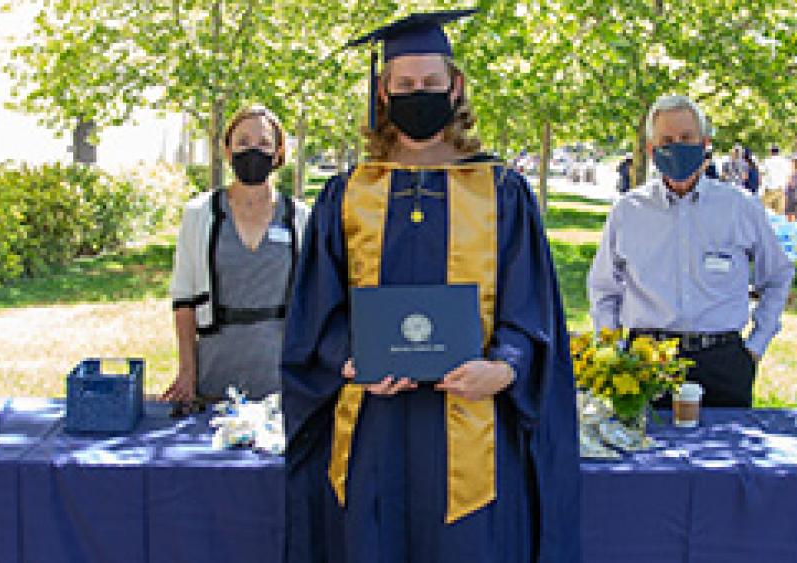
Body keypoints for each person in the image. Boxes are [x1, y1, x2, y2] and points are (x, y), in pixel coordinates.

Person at [280, 10, 580, 563]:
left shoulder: (501, 191)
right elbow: (317, 311)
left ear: (456, 86)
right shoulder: (347, 194)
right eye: (406, 85)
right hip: (373, 425)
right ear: (383, 92)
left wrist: (504, 367)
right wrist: (350, 360)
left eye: (431, 83)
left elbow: (530, 306)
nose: (419, 95)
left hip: (474, 424)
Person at [587, 95, 795, 408]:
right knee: (645, 441)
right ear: (651, 150)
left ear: (705, 144)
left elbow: (777, 276)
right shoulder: (628, 211)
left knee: (728, 441)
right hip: (646, 364)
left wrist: (756, 346)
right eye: (667, 141)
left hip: (723, 363)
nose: (677, 148)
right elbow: (604, 287)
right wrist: (613, 351)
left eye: (686, 138)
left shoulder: (740, 207)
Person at [164, 105, 310, 402]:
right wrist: (187, 372)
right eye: (243, 142)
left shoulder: (300, 218)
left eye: (264, 143)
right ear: (227, 151)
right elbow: (184, 301)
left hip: (281, 378)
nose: (253, 151)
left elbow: (314, 300)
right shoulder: (199, 214)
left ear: (278, 153)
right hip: (215, 374)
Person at [761, 145, 790, 214]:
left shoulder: (767, 161)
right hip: (780, 189)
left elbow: (762, 173)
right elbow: (788, 174)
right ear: (778, 152)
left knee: (767, 211)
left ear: (771, 152)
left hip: (770, 189)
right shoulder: (784, 161)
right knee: (779, 212)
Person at [785, 154, 797, 220]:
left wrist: (789, 181)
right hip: (795, 198)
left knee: (794, 216)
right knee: (795, 217)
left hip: (796, 198)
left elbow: (792, 185)